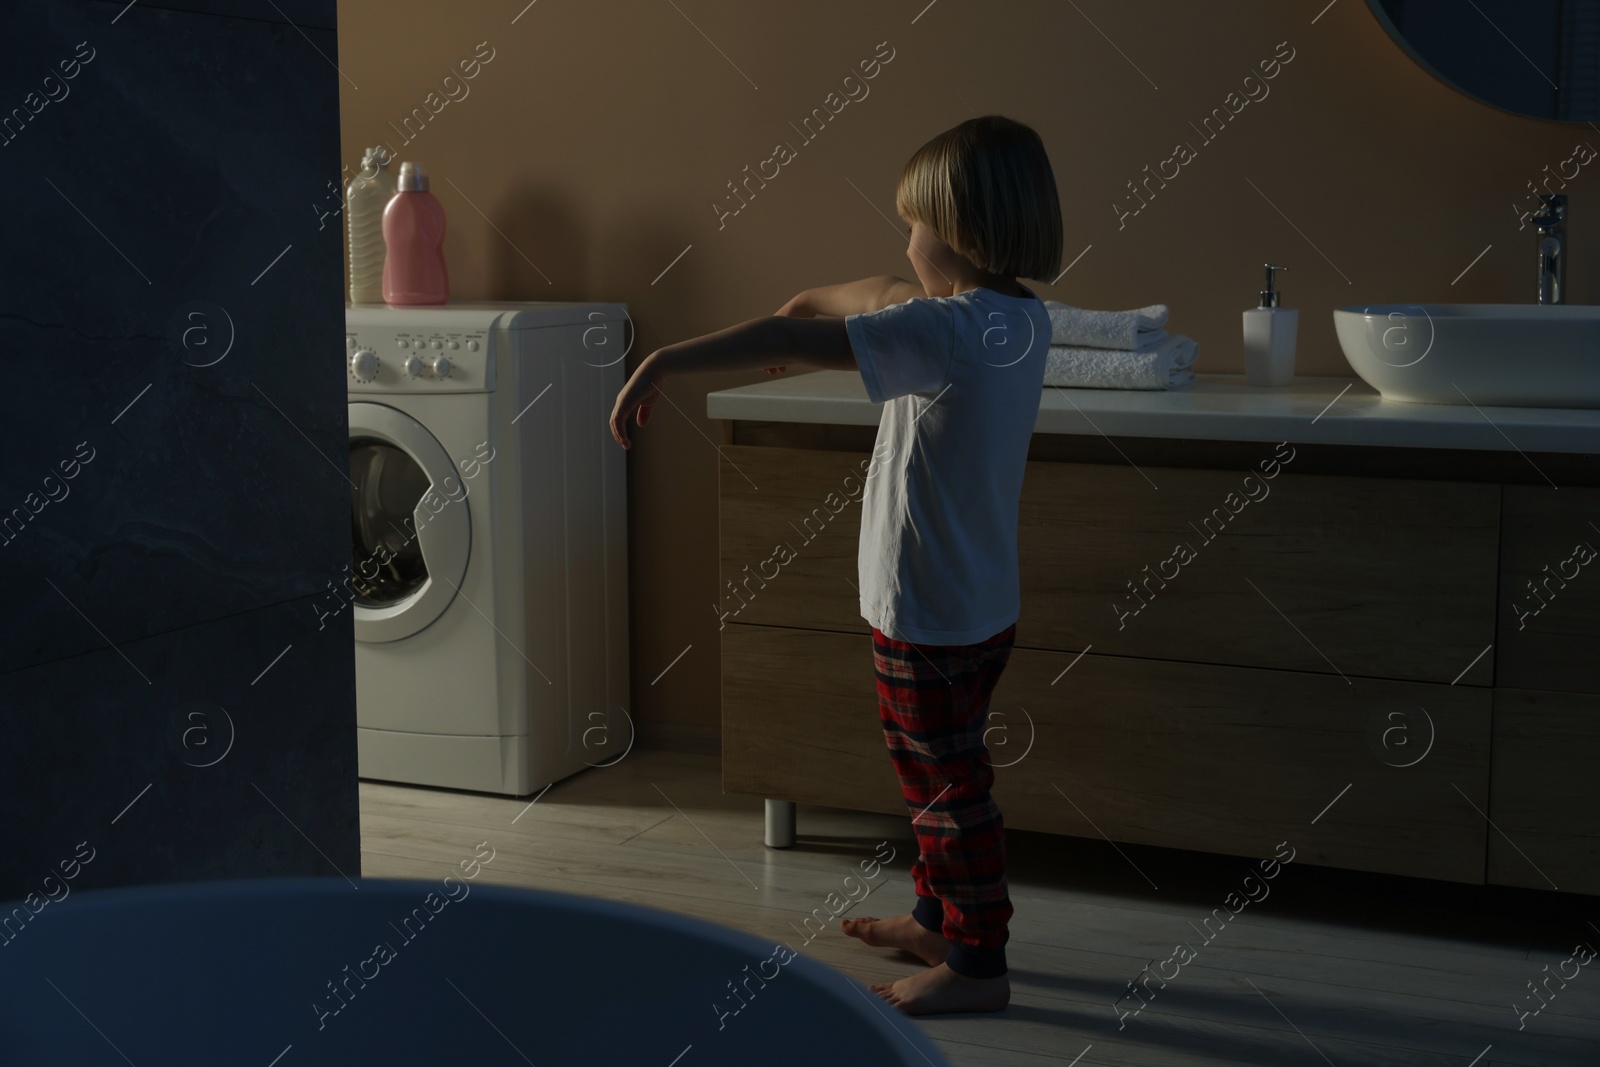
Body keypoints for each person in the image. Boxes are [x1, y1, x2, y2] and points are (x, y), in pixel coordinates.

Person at [609, 114, 1063, 1016]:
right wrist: (809, 299)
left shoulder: (944, 333)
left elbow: (832, 333)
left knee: (945, 785)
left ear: (961, 231)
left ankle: (979, 964)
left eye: (914, 221)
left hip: (928, 611)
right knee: (935, 770)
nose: (904, 240)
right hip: (975, 604)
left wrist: (663, 359)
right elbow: (876, 290)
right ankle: (940, 918)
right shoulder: (1012, 318)